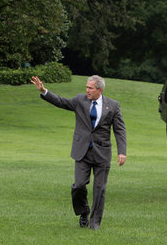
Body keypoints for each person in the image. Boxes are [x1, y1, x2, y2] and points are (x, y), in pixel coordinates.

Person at [31, 75, 127, 230]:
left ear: (99, 90)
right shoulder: (79, 100)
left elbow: (120, 130)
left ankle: (94, 223)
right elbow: (61, 102)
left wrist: (122, 152)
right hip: (82, 152)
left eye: (90, 88)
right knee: (79, 186)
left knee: (99, 189)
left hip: (102, 153)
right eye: (86, 87)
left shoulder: (113, 106)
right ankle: (83, 211)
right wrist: (44, 91)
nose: (87, 90)